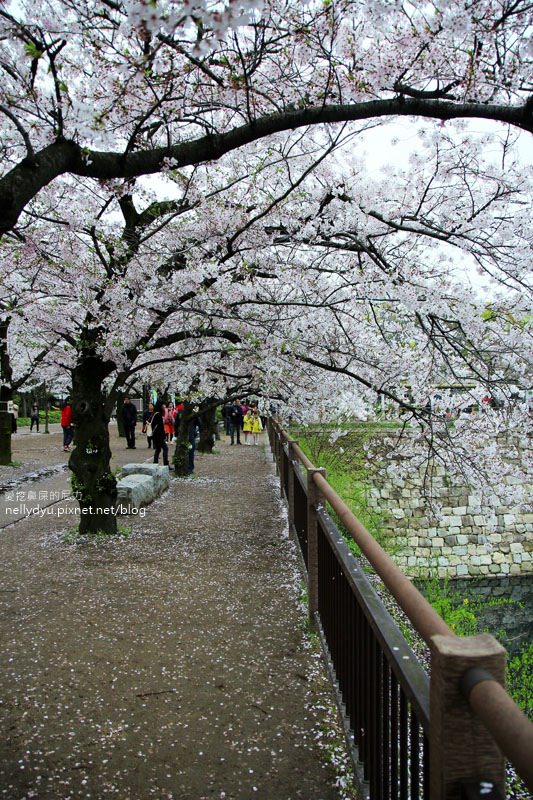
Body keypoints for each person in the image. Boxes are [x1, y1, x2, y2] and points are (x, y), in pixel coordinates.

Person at [151, 400, 169, 466]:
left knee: (158, 449)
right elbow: (160, 427)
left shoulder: (155, 413)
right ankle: (166, 464)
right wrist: (164, 436)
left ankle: (155, 463)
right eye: (163, 405)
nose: (164, 406)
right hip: (159, 435)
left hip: (155, 435)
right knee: (165, 448)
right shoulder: (158, 415)